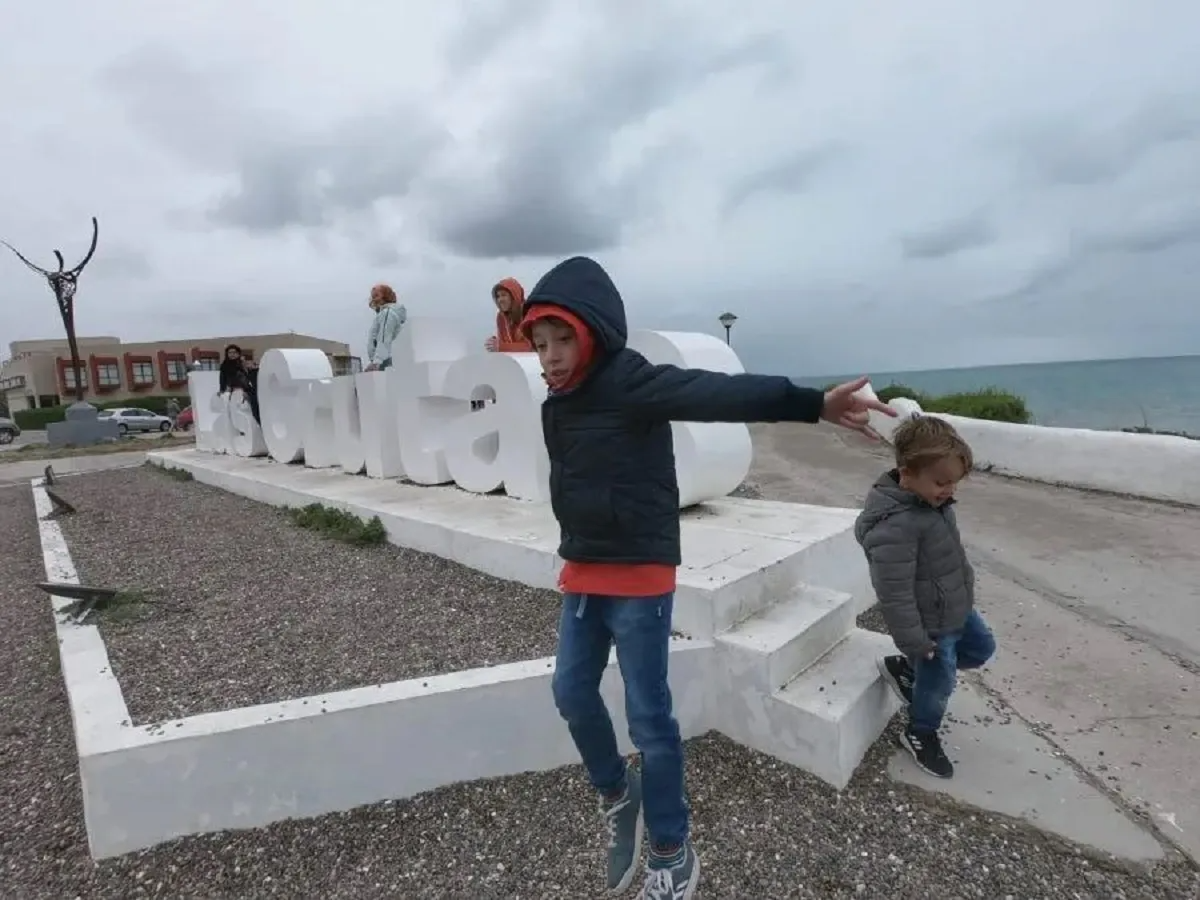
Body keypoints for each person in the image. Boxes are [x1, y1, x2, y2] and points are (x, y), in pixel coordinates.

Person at [518, 255, 896, 899]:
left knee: (649, 717)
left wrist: (811, 404)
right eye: (541, 343)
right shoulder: (558, 404)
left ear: (593, 334)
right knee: (570, 693)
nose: (551, 357)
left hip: (640, 570)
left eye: (563, 341)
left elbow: (712, 393)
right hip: (585, 568)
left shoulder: (629, 380)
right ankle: (619, 796)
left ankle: (672, 849)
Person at [853, 415, 995, 780]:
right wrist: (914, 641)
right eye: (941, 482)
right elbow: (893, 591)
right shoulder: (896, 525)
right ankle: (919, 731)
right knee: (940, 683)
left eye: (954, 483)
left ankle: (908, 671)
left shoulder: (931, 504)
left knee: (980, 648)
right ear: (906, 473)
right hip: (929, 625)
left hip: (954, 607)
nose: (949, 490)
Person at [365, 283, 407, 372]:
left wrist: (377, 362)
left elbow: (384, 337)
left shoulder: (387, 314)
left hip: (385, 361)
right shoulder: (384, 314)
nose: (373, 299)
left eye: (376, 295)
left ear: (386, 296)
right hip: (386, 359)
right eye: (372, 296)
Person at [485, 277, 533, 353]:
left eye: (504, 295)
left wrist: (502, 346)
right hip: (513, 360)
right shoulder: (501, 317)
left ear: (514, 296)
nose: (500, 300)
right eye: (498, 296)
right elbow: (503, 342)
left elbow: (533, 347)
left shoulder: (530, 314)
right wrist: (494, 344)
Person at [218, 344, 260, 424]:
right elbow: (223, 379)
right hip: (236, 390)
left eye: (234, 352)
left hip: (248, 389)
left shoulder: (243, 364)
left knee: (256, 404)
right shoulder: (225, 366)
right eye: (230, 352)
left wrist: (252, 368)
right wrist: (222, 390)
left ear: (238, 354)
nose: (232, 354)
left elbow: (248, 377)